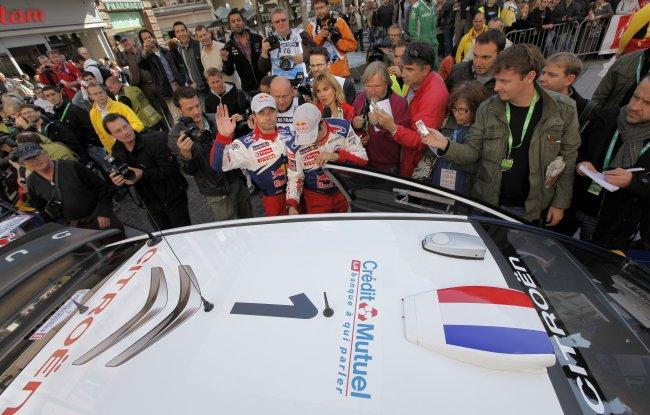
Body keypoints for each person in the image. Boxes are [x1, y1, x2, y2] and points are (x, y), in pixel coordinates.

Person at [422, 44, 580, 225]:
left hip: (530, 209)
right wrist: (445, 144)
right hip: (487, 204)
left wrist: (560, 203)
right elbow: (473, 153)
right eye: (496, 80)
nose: (496, 87)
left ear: (529, 77)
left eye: (505, 81)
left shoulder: (563, 109)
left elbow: (567, 159)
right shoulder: (487, 108)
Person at [574, 76, 650, 249]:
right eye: (636, 97)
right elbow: (575, 151)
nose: (635, 106)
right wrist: (580, 164)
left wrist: (633, 181)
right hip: (576, 206)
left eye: (647, 103)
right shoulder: (606, 118)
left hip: (615, 225)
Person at [169, 86, 252, 220]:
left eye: (197, 105)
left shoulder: (216, 119)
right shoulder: (175, 136)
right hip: (215, 191)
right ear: (179, 110)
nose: (196, 111)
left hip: (236, 180)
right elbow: (189, 171)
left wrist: (233, 131)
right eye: (190, 109)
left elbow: (235, 148)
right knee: (229, 227)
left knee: (249, 219)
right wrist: (186, 155)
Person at [371, 42, 449, 177]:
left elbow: (422, 139)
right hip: (408, 153)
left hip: (416, 162)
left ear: (425, 69)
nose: (403, 74)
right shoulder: (420, 81)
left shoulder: (432, 97)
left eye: (409, 69)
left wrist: (392, 128)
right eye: (403, 68)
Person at [210, 94, 291, 216]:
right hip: (274, 201)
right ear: (254, 116)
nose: (268, 117)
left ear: (277, 112)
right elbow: (218, 165)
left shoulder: (290, 133)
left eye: (271, 111)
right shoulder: (244, 144)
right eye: (261, 113)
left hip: (299, 193)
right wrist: (223, 137)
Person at [107, 113, 190, 230]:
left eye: (125, 126)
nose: (125, 132)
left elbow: (172, 168)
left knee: (184, 234)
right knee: (164, 236)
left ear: (129, 124)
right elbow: (129, 178)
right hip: (150, 203)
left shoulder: (153, 141)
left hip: (173, 198)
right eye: (118, 131)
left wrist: (143, 173)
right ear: (112, 135)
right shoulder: (117, 151)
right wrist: (120, 182)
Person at [286, 103, 368, 214]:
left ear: (323, 123)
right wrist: (292, 204)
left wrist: (337, 156)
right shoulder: (293, 146)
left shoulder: (343, 128)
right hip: (315, 197)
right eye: (305, 136)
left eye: (312, 136)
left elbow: (363, 160)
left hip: (343, 191)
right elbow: (295, 178)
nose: (310, 141)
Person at [18, 142, 119, 231]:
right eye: (29, 159)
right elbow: (42, 209)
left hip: (101, 218)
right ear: (24, 164)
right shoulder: (31, 182)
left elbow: (101, 186)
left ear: (45, 153)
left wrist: (104, 213)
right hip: (76, 227)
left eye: (36, 155)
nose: (35, 161)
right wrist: (62, 229)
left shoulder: (72, 166)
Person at [413, 80, 490, 193]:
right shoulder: (445, 123)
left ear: (476, 108)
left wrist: (445, 145)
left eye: (462, 110)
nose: (456, 114)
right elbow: (431, 157)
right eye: (454, 109)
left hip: (464, 192)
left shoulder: (483, 131)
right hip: (436, 187)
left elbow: (475, 163)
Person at [352, 61, 412, 174]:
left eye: (377, 86)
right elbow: (350, 128)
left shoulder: (399, 103)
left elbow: (403, 139)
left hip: (387, 166)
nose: (373, 91)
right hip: (362, 160)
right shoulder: (360, 97)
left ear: (387, 84)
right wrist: (354, 124)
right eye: (369, 86)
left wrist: (380, 124)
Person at [117, 36, 173, 129]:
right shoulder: (126, 56)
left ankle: (173, 127)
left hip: (155, 82)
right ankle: (165, 131)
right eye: (122, 42)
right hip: (143, 86)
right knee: (155, 111)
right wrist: (117, 49)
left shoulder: (143, 48)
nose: (125, 43)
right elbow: (120, 63)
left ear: (131, 40)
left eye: (126, 40)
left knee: (166, 107)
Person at [138, 28, 188, 121]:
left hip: (178, 84)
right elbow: (141, 65)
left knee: (186, 109)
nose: (148, 39)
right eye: (145, 39)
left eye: (149, 37)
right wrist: (145, 51)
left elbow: (179, 65)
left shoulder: (165, 51)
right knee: (176, 116)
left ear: (153, 37)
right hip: (166, 88)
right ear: (142, 42)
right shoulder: (146, 57)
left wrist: (182, 79)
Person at [42, 85, 104, 158]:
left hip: (92, 149)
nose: (51, 98)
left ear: (60, 94)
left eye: (53, 94)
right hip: (77, 153)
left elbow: (91, 127)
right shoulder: (55, 115)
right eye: (47, 96)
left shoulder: (74, 109)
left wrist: (90, 145)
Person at [259, 8, 315, 80]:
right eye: (277, 21)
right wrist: (264, 53)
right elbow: (263, 69)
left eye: (283, 20)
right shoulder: (269, 41)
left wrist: (304, 57)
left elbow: (317, 51)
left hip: (303, 81)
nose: (281, 23)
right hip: (280, 83)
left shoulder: (301, 34)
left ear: (288, 20)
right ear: (272, 24)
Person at [539, 52, 591, 128]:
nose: (542, 78)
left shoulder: (583, 110)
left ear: (569, 79)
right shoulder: (533, 98)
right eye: (543, 73)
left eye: (552, 75)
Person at [306, 0, 358, 77]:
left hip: (341, 73)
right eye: (316, 8)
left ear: (328, 7)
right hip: (320, 75)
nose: (319, 11)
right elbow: (307, 50)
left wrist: (336, 40)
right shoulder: (311, 27)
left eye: (321, 7)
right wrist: (320, 36)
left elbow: (353, 45)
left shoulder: (339, 22)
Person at [87, 83, 144, 151]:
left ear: (105, 92)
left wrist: (125, 134)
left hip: (133, 144)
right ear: (91, 97)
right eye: (95, 94)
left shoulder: (120, 106)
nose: (99, 95)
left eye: (101, 92)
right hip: (117, 150)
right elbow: (100, 135)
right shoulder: (92, 113)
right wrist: (110, 151)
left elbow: (138, 124)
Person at [222, 10, 266, 95]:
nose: (237, 23)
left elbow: (267, 62)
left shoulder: (257, 38)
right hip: (248, 91)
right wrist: (225, 61)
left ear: (243, 21)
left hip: (265, 86)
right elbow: (229, 72)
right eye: (233, 21)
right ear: (230, 25)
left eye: (238, 20)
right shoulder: (229, 46)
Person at [15, 104, 84, 157]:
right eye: (24, 114)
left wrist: (27, 127)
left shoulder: (54, 124)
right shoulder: (29, 132)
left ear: (38, 112)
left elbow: (73, 142)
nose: (27, 115)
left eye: (29, 112)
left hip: (69, 157)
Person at [204, 67, 250, 137]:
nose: (216, 85)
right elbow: (209, 120)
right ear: (208, 83)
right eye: (212, 83)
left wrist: (242, 116)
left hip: (241, 132)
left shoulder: (238, 92)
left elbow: (248, 111)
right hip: (223, 135)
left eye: (217, 81)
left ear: (222, 79)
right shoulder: (208, 100)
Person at [172, 21, 207, 95]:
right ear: (175, 35)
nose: (181, 34)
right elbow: (186, 68)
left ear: (187, 31)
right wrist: (190, 83)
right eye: (178, 32)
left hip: (207, 86)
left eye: (182, 30)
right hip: (195, 89)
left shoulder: (199, 44)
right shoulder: (179, 49)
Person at [408, 0, 440, 65]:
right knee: (425, 67)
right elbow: (412, 30)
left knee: (435, 66)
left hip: (433, 43)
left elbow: (433, 26)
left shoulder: (432, 5)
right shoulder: (416, 7)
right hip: (423, 46)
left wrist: (435, 40)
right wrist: (418, 47)